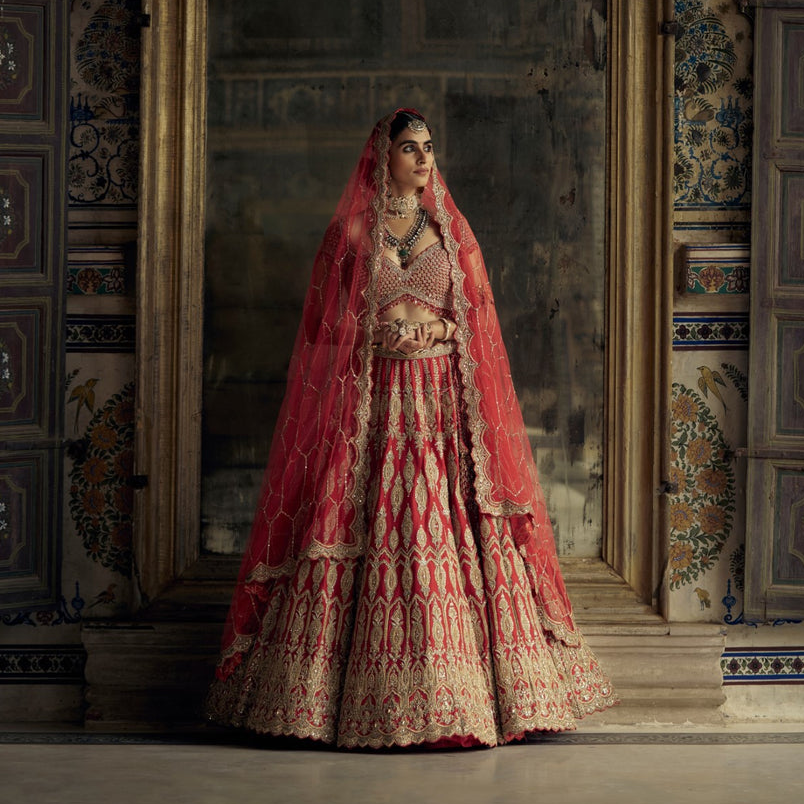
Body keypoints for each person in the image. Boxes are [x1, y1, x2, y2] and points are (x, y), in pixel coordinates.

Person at [206, 107, 615, 748]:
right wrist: (375, 333)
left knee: (441, 522)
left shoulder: (451, 232)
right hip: (373, 406)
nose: (424, 159)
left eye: (429, 148)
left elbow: (475, 316)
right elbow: (324, 331)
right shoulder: (351, 232)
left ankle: (463, 699)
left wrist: (439, 329)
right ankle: (328, 703)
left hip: (437, 409)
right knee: (362, 521)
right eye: (410, 148)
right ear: (382, 156)